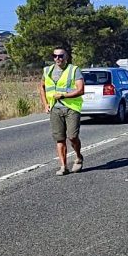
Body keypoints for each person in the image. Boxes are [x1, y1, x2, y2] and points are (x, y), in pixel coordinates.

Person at [39, 47, 85, 176]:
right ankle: (63, 166)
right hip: (55, 108)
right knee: (60, 139)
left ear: (66, 57)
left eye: (60, 56)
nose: (57, 58)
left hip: (71, 108)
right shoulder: (47, 70)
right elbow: (42, 87)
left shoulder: (74, 70)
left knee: (72, 136)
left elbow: (81, 90)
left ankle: (78, 156)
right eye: (55, 56)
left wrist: (64, 95)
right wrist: (45, 104)